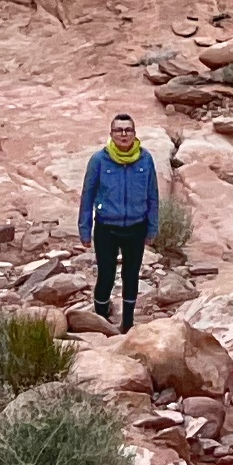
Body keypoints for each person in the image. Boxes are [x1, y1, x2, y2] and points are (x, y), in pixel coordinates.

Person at [76, 109, 160, 331]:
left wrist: (152, 227)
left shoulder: (145, 159)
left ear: (134, 133)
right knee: (106, 275)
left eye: (128, 130)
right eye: (119, 130)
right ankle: (101, 320)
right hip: (107, 228)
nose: (124, 134)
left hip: (136, 227)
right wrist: (85, 229)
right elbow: (88, 195)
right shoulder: (99, 161)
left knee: (131, 276)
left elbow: (153, 194)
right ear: (111, 134)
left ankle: (128, 324)